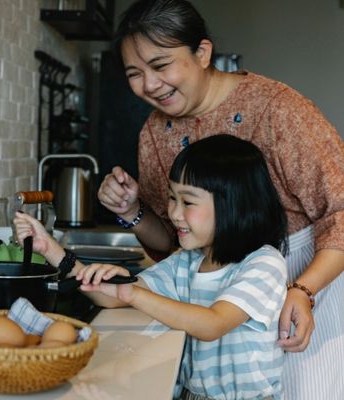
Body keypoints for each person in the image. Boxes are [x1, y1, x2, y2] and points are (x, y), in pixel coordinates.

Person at [96, 1, 344, 399]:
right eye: (134, 74)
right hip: (217, 310)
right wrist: (132, 211)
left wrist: (303, 290)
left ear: (203, 53)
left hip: (307, 277)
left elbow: (341, 210)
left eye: (161, 66)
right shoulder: (154, 133)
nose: (149, 84)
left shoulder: (278, 109)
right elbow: (176, 239)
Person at [15, 134, 289, 399]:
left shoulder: (263, 263)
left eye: (188, 202)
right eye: (172, 198)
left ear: (235, 205)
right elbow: (108, 296)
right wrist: (50, 248)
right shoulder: (188, 262)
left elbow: (212, 324)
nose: (174, 213)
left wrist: (133, 293)